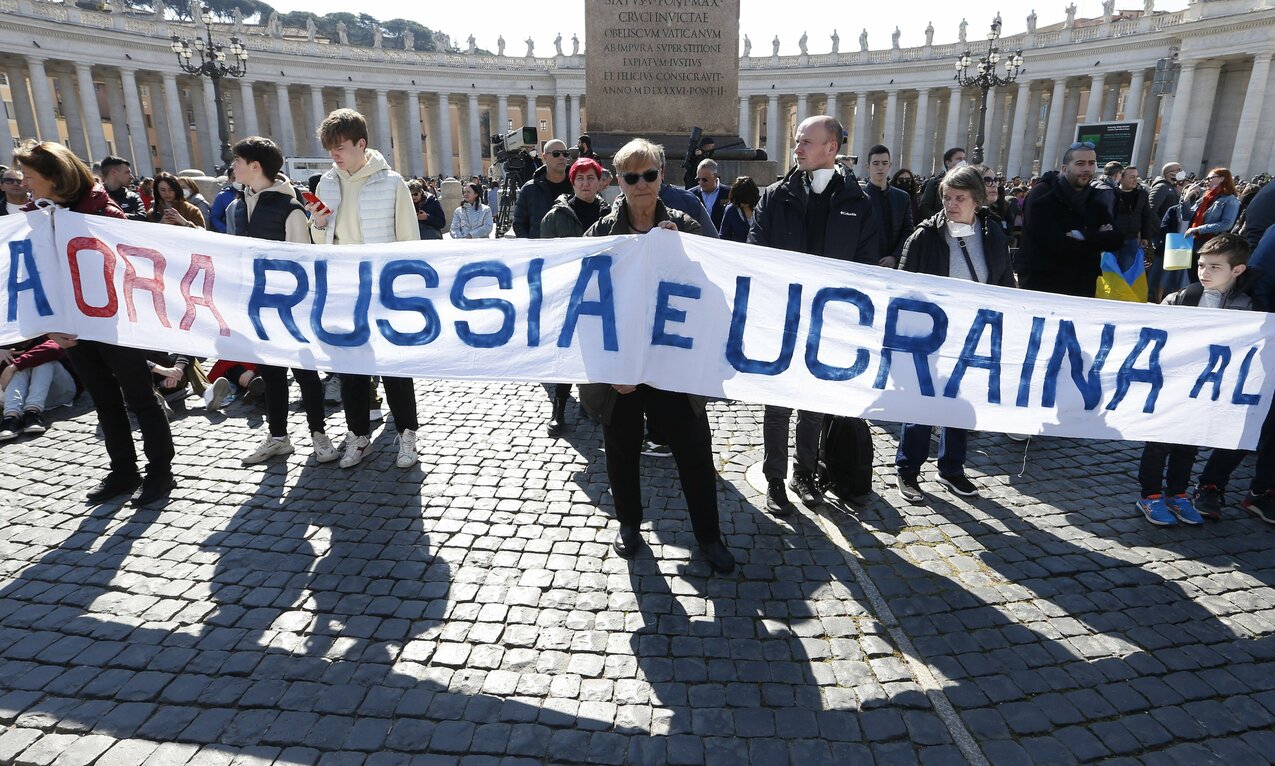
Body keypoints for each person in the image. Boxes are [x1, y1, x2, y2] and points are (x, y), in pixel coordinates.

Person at [579, 138, 735, 575]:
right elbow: (586, 304)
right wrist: (609, 368)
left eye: (649, 174)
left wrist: (683, 251)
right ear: (619, 181)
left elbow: (716, 286)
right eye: (632, 177)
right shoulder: (601, 233)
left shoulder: (686, 226)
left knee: (694, 451)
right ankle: (629, 524)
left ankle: (709, 536)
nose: (641, 183)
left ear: (661, 176)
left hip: (673, 364)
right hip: (623, 366)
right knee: (621, 449)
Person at [13, 140, 175, 506]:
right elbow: (36, 275)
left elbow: (129, 266)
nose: (24, 183)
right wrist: (50, 325)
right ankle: (123, 471)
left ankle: (160, 472)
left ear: (55, 178)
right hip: (72, 327)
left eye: (29, 176)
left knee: (140, 398)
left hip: (114, 322)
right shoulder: (34, 216)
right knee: (104, 399)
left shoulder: (103, 211)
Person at [748, 115, 879, 516]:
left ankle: (804, 473)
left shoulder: (859, 201)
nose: (797, 148)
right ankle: (775, 478)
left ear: (831, 147)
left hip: (831, 321)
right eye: (797, 141)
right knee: (777, 404)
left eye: (806, 141)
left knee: (813, 402)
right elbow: (755, 248)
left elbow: (866, 263)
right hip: (784, 318)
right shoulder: (775, 196)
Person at [308, 108, 422, 469]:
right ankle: (358, 435)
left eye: (340, 147)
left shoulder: (392, 182)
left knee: (394, 365)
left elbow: (408, 239)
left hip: (383, 288)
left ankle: (407, 434)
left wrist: (407, 291)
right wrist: (318, 224)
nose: (334, 154)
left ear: (361, 143)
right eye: (330, 148)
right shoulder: (326, 184)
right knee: (350, 366)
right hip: (343, 287)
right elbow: (321, 241)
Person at [894, 165, 1017, 502]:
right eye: (947, 197)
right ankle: (908, 469)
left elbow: (1004, 280)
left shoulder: (993, 234)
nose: (951, 204)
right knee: (921, 403)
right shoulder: (925, 236)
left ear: (977, 199)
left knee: (961, 403)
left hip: (972, 333)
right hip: (929, 334)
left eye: (959, 198)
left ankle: (951, 468)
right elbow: (904, 287)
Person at [223, 136, 340, 466]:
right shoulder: (237, 206)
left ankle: (319, 435)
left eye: (237, 161)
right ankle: (278, 438)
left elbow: (302, 262)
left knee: (305, 374)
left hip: (290, 309)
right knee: (271, 374)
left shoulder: (290, 209)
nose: (233, 167)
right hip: (256, 307)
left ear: (255, 166)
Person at [1138, 234, 1253, 525]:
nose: (1204, 272)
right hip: (1172, 384)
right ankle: (1150, 495)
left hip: (1207, 389)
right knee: (1158, 442)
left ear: (1237, 270)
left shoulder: (1247, 307)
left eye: (1215, 267)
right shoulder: (1181, 298)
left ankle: (1177, 494)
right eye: (1201, 265)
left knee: (1189, 443)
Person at [538, 157, 610, 437]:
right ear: (573, 182)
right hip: (567, 294)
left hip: (600, 294)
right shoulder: (556, 216)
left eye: (591, 178)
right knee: (565, 352)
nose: (585, 183)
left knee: (598, 350)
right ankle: (558, 409)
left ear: (599, 182)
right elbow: (546, 259)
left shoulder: (609, 215)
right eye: (580, 178)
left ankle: (594, 405)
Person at [1017, 141, 1124, 296]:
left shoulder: (1094, 200)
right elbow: (1053, 244)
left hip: (1084, 284)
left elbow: (1117, 239)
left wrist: (1081, 235)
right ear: (1065, 169)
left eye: (1091, 163)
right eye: (1080, 163)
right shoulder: (1043, 197)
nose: (1087, 168)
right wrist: (1098, 239)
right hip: (1045, 284)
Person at [0, 336, 80, 441]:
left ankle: (32, 413)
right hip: (23, 399)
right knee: (18, 367)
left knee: (43, 361)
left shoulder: (45, 334)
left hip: (61, 391)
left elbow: (55, 348)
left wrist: (13, 367)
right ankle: (11, 417)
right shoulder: (5, 343)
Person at [863, 145, 914, 268]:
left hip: (895, 266)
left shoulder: (903, 197)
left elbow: (908, 232)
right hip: (866, 264)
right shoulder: (859, 198)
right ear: (868, 167)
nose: (880, 167)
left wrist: (895, 257)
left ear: (890, 166)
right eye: (876, 163)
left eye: (884, 163)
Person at [512, 138, 573, 239]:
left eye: (565, 153)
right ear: (544, 157)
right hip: (539, 247)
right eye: (556, 154)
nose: (562, 157)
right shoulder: (529, 189)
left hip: (572, 247)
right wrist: (532, 245)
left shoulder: (577, 186)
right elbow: (519, 224)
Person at [1180, 167, 1240, 265]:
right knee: (1190, 271)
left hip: (1211, 244)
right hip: (1194, 241)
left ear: (1222, 179)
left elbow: (1227, 224)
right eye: (1206, 178)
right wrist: (1186, 199)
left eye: (1210, 178)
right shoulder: (1206, 197)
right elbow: (1186, 216)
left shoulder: (1230, 200)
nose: (1206, 181)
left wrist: (1198, 229)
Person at [1112, 165, 1157, 270]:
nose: (1135, 180)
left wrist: (1145, 237)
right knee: (1110, 271)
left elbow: (1146, 216)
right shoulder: (1112, 193)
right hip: (1113, 239)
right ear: (1121, 178)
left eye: (1136, 177)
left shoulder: (1142, 194)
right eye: (1132, 177)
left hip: (1132, 239)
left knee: (1127, 271)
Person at [918, 146, 966, 220]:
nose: (963, 162)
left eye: (964, 159)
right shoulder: (934, 182)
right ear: (948, 163)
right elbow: (924, 208)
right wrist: (941, 220)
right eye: (959, 159)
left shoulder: (968, 183)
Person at [99, 156, 147, 221]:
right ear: (114, 172)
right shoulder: (95, 197)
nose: (132, 177)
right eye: (127, 172)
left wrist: (115, 215)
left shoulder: (132, 197)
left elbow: (142, 217)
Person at [690, 158, 731, 230]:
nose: (701, 182)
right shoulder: (690, 195)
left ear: (715, 176)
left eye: (704, 179)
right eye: (698, 179)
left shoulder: (729, 193)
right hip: (697, 235)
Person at [719, 176, 759, 243]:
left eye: (745, 201)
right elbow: (724, 236)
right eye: (740, 202)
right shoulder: (731, 210)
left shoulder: (761, 208)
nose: (742, 204)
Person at [209, 167, 238, 233]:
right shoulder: (222, 196)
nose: (237, 180)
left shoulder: (253, 192)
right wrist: (227, 230)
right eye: (234, 178)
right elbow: (214, 218)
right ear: (229, 179)